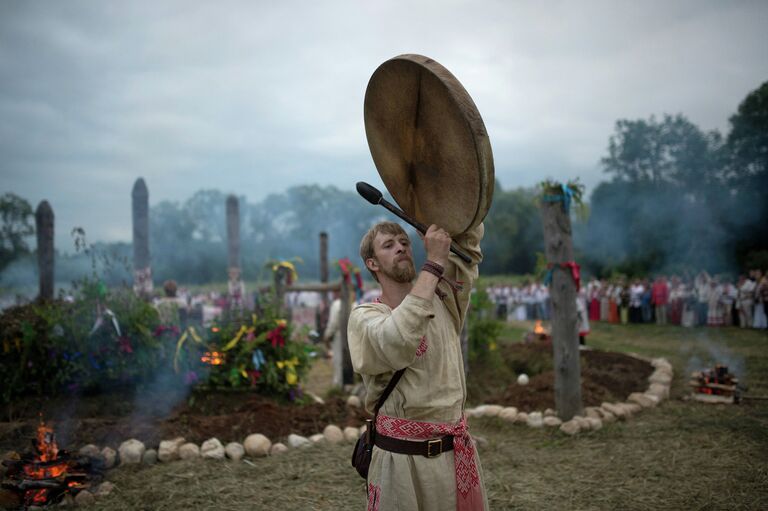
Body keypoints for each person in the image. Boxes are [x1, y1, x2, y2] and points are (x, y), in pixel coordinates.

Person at [348, 221, 488, 511]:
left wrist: (435, 211)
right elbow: (398, 340)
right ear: (372, 264)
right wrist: (434, 262)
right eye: (389, 245)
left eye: (404, 241)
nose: (401, 246)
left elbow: (467, 243)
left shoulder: (444, 298)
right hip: (401, 466)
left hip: (453, 458)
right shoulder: (365, 318)